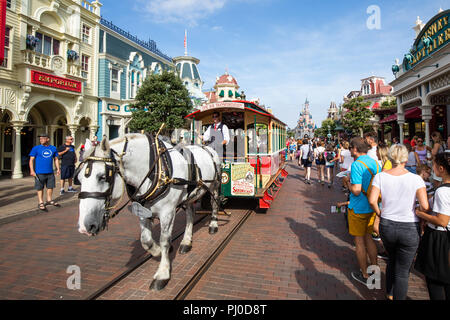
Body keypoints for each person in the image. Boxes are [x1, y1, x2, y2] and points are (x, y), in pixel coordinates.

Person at [368, 144, 429, 300]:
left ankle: (389, 293)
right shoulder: (416, 179)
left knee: (392, 259)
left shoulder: (381, 176)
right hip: (409, 226)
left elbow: (372, 200)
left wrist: (380, 213)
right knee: (402, 271)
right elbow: (425, 206)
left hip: (387, 224)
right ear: (405, 158)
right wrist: (418, 211)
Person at [342, 137, 379, 286]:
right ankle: (374, 273)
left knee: (359, 241)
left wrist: (347, 183)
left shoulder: (357, 165)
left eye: (351, 148)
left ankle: (364, 274)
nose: (350, 151)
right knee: (369, 238)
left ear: (355, 149)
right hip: (372, 206)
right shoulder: (374, 163)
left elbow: (356, 190)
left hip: (358, 208)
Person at [414, 152, 450, 300]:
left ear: (441, 168)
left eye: (433, 165)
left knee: (435, 280)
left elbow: (442, 220)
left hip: (440, 237)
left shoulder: (443, 191)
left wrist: (420, 214)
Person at [29, 133, 61, 211]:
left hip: (50, 171)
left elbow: (56, 159)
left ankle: (49, 200)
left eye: (43, 138)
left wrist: (58, 168)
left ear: (48, 139)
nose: (41, 140)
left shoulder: (53, 148)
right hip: (39, 172)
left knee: (50, 186)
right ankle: (41, 202)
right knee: (40, 187)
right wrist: (32, 170)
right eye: (40, 139)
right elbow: (31, 160)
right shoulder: (36, 148)